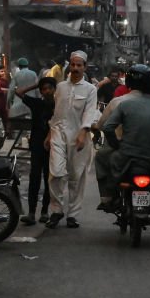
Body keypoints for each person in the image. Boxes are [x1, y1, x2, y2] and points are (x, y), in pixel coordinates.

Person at [96, 71, 150, 210]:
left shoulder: (124, 105)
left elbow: (107, 128)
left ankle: (108, 197)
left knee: (103, 158)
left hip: (125, 157)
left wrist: (116, 144)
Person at [45, 51, 99, 229]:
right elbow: (56, 113)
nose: (75, 68)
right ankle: (57, 210)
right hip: (58, 134)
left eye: (79, 65)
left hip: (78, 137)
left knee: (77, 176)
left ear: (84, 67)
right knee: (56, 173)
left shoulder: (90, 89)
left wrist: (84, 133)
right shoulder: (60, 87)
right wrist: (49, 134)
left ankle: (73, 215)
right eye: (73, 65)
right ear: (69, 65)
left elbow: (90, 112)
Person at [15, 77, 57, 226]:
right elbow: (18, 92)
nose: (47, 91)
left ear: (54, 89)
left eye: (49, 88)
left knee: (48, 178)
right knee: (34, 177)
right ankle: (32, 212)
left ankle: (45, 211)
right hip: (37, 145)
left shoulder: (59, 105)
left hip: (53, 145)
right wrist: (35, 84)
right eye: (43, 89)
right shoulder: (36, 103)